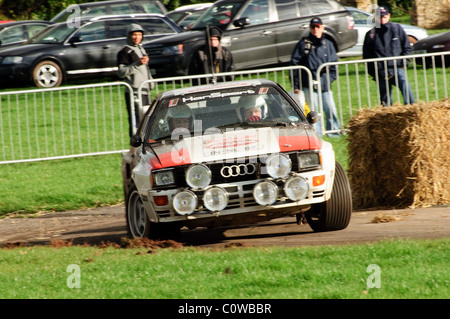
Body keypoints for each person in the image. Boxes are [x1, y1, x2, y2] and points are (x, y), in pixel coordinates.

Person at [291, 17, 340, 137]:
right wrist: (296, 85)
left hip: (325, 83)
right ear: (310, 28)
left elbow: (334, 65)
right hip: (308, 84)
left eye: (318, 26)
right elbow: (294, 63)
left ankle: (334, 131)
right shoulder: (304, 43)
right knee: (313, 111)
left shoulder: (328, 44)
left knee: (330, 108)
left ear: (322, 28)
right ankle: (316, 134)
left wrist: (329, 79)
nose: (315, 29)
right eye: (313, 27)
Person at [362, 6, 415, 106]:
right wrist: (374, 73)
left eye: (384, 16)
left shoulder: (397, 29)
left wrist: (403, 63)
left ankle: (412, 108)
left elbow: (407, 48)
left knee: (406, 89)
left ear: (389, 16)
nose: (382, 19)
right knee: (385, 101)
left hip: (397, 68)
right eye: (380, 17)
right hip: (380, 72)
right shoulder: (370, 34)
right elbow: (367, 56)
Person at [117, 23, 153, 137]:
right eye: (134, 34)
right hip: (134, 92)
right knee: (136, 122)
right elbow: (121, 72)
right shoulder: (125, 51)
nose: (137, 37)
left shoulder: (141, 49)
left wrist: (151, 82)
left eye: (139, 34)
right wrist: (137, 63)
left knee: (146, 120)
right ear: (129, 35)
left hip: (145, 90)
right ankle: (134, 149)